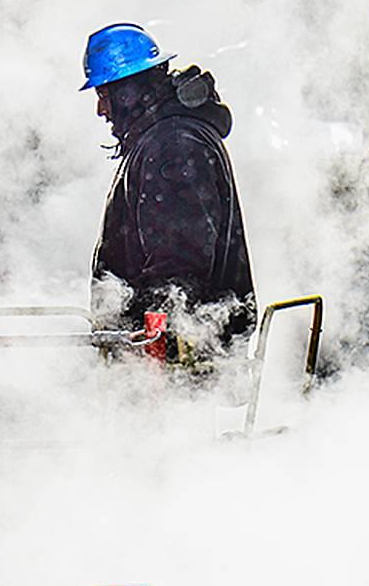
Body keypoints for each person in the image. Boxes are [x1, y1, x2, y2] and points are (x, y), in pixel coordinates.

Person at [81, 22, 255, 349]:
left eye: (103, 95)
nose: (101, 110)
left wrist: (156, 354)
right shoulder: (165, 138)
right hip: (179, 352)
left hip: (185, 359)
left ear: (127, 93)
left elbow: (177, 268)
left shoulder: (172, 145)